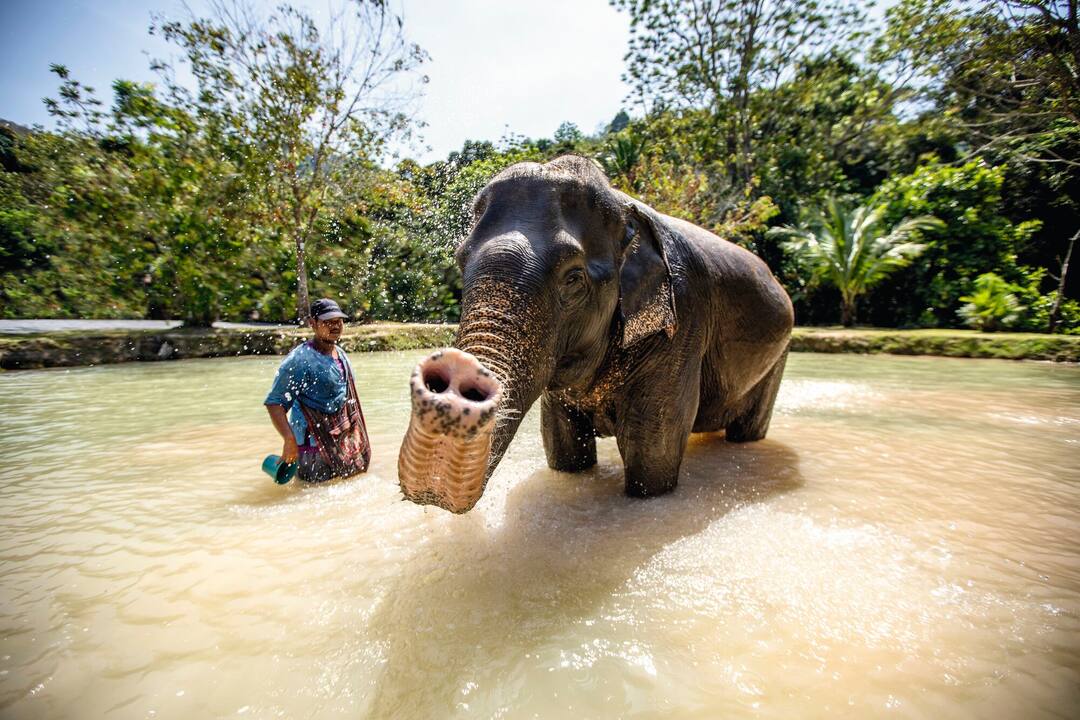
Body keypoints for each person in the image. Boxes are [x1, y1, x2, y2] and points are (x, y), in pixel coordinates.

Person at [264, 298, 370, 482]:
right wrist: (289, 441)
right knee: (314, 497)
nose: (335, 326)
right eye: (328, 322)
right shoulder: (299, 361)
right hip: (312, 451)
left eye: (338, 321)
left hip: (341, 446)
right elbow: (275, 404)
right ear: (313, 324)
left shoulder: (341, 354)